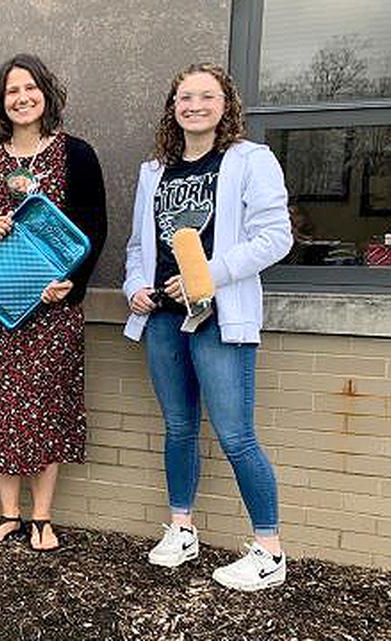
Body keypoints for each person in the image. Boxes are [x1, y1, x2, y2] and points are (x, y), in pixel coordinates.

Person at [123, 62, 293, 591]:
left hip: (219, 318)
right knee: (178, 428)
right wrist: (135, 288)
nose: (194, 105)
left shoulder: (248, 161)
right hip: (164, 321)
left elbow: (275, 237)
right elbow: (137, 247)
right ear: (173, 107)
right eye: (184, 97)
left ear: (226, 105)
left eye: (206, 96)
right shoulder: (155, 170)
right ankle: (182, 529)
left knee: (236, 435)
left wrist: (207, 277)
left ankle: (269, 551)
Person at [0, 54, 106, 550]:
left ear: (46, 95)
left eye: (30, 88)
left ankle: (42, 517)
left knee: (47, 408)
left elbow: (95, 229)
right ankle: (8, 514)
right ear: (1, 101)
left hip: (52, 310)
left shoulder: (77, 155)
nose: (22, 98)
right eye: (12, 91)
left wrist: (73, 283)